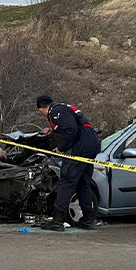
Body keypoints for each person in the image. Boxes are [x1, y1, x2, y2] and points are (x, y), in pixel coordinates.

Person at [37, 95, 100, 228]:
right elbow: (72, 124)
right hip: (91, 143)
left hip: (80, 146)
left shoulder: (55, 112)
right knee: (83, 183)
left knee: (66, 182)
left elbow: (71, 129)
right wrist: (54, 130)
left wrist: (61, 148)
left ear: (41, 110)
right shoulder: (63, 107)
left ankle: (58, 220)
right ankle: (88, 220)